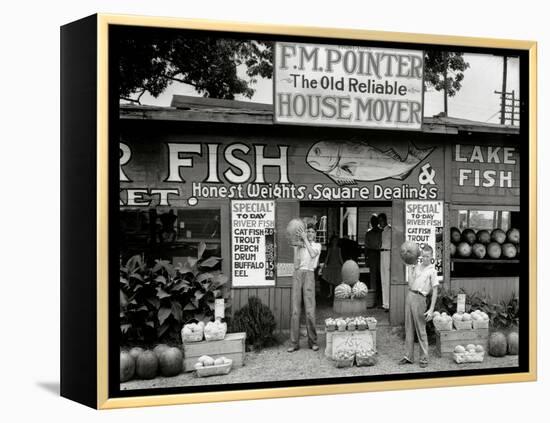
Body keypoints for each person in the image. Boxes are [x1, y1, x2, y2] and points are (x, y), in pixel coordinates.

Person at [399, 245, 439, 368]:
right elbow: (410, 284)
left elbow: (435, 291)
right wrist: (410, 269)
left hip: (421, 299)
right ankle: (408, 356)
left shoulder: (432, 271)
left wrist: (431, 309)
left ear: (431, 257)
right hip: (410, 296)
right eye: (423, 256)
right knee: (408, 328)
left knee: (421, 330)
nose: (425, 258)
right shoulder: (416, 267)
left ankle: (424, 358)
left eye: (428, 256)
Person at [288, 224, 321, 352]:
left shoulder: (317, 246)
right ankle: (294, 343)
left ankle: (313, 341)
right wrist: (296, 248)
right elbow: (296, 265)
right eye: (308, 231)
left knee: (310, 310)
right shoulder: (300, 246)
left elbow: (313, 255)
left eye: (313, 232)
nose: (310, 233)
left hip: (309, 274)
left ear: (315, 234)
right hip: (297, 275)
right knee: (295, 311)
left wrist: (304, 240)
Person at [364, 215, 382, 307]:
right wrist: (366, 258)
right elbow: (366, 247)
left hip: (380, 254)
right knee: (374, 277)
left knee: (379, 277)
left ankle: (380, 299)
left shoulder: (381, 232)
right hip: (373, 254)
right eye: (373, 222)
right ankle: (373, 300)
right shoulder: (369, 233)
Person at [379, 213, 391, 311]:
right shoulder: (382, 231)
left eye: (381, 221)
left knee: (387, 278)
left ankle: (388, 303)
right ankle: (385, 303)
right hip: (382, 253)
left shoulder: (390, 230)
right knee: (383, 278)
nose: (380, 223)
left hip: (388, 253)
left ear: (385, 220)